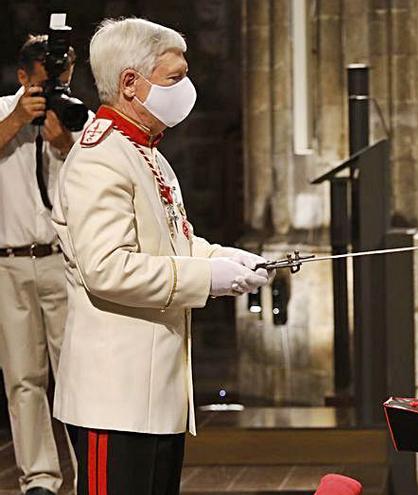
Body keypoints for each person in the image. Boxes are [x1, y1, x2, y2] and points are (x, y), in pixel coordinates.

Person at [51, 18, 271, 494]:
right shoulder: (100, 157)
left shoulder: (146, 151)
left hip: (153, 392)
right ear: (131, 83)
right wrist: (205, 279)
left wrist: (224, 259)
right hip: (114, 394)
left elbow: (171, 240)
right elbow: (108, 268)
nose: (186, 89)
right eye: (174, 78)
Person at [0, 34, 90, 495]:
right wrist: (17, 120)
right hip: (9, 264)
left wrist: (66, 145)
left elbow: (101, 178)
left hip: (63, 262)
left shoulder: (79, 117)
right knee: (23, 378)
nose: (54, 91)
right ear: (22, 78)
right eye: (43, 84)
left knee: (75, 374)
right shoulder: (2, 112)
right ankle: (39, 478)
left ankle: (88, 475)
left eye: (63, 81)